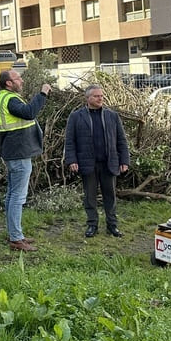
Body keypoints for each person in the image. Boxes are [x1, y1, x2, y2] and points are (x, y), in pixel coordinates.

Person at [0, 70, 51, 252]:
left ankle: (15, 234)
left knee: (12, 196)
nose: (22, 80)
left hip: (14, 153)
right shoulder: (10, 100)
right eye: (18, 78)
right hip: (18, 155)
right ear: (9, 83)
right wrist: (42, 94)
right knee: (17, 197)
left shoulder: (5, 99)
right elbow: (29, 113)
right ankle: (16, 239)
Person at [64, 85, 130, 238]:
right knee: (90, 197)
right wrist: (71, 160)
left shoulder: (112, 116)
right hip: (88, 163)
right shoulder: (76, 117)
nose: (100, 98)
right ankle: (92, 225)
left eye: (101, 95)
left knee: (110, 196)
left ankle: (112, 225)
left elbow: (121, 140)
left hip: (109, 163)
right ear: (87, 99)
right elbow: (70, 141)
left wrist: (124, 160)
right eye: (96, 96)